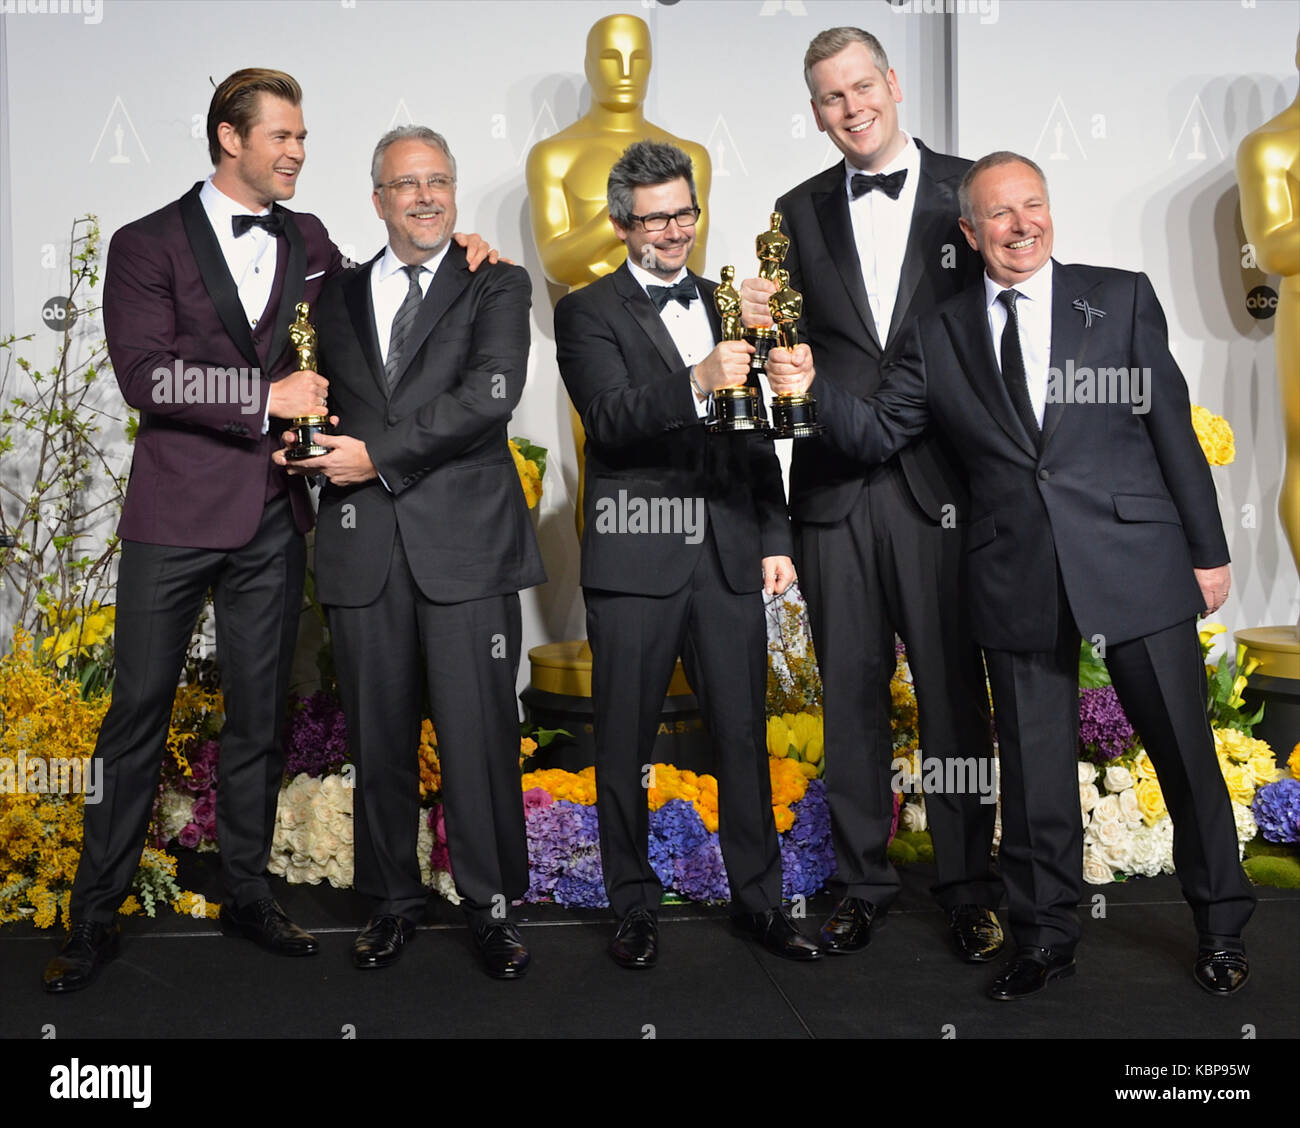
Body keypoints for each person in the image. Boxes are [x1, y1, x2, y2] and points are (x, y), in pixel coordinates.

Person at [767, 151, 1256, 998]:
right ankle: (1045, 938)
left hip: (1132, 563)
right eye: (999, 213)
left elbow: (1171, 428)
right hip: (1015, 573)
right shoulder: (941, 331)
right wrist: (809, 390)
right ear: (970, 231)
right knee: (1032, 782)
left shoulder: (1122, 295)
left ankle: (1221, 928)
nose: (1021, 224)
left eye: (1033, 205)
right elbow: (882, 430)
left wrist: (1207, 552)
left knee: (1185, 756)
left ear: (1050, 212)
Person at [42, 68, 342, 994]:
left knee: (260, 715)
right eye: (283, 136)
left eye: (301, 136)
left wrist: (454, 255)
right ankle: (95, 912)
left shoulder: (315, 239)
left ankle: (247, 892)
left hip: (271, 515)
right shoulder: (144, 244)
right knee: (137, 714)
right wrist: (264, 397)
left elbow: (359, 323)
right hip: (174, 514)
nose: (298, 150)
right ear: (230, 138)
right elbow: (147, 377)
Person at [740, 27, 1001, 963]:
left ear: (893, 84)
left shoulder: (973, 190)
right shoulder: (795, 210)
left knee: (952, 696)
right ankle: (862, 881)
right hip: (837, 490)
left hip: (946, 487)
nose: (851, 109)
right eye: (830, 99)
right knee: (847, 694)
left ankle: (971, 885)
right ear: (814, 112)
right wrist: (767, 325)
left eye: (862, 88)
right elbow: (791, 359)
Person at [276, 126, 544, 980]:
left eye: (439, 181)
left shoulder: (495, 282)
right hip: (363, 553)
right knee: (379, 740)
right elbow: (312, 398)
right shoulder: (330, 298)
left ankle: (493, 908)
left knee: (479, 739)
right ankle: (390, 904)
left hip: (466, 549)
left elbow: (489, 397)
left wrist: (375, 459)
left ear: (453, 192)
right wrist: (302, 448)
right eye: (406, 184)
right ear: (379, 199)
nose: (426, 197)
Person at [554, 140, 821, 969]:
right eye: (655, 217)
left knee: (742, 734)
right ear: (621, 221)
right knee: (625, 739)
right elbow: (612, 418)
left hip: (731, 549)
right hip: (636, 555)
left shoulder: (729, 302)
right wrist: (699, 377)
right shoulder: (584, 310)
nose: (673, 231)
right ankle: (631, 906)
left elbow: (755, 444)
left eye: (684, 212)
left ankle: (762, 903)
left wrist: (775, 536)